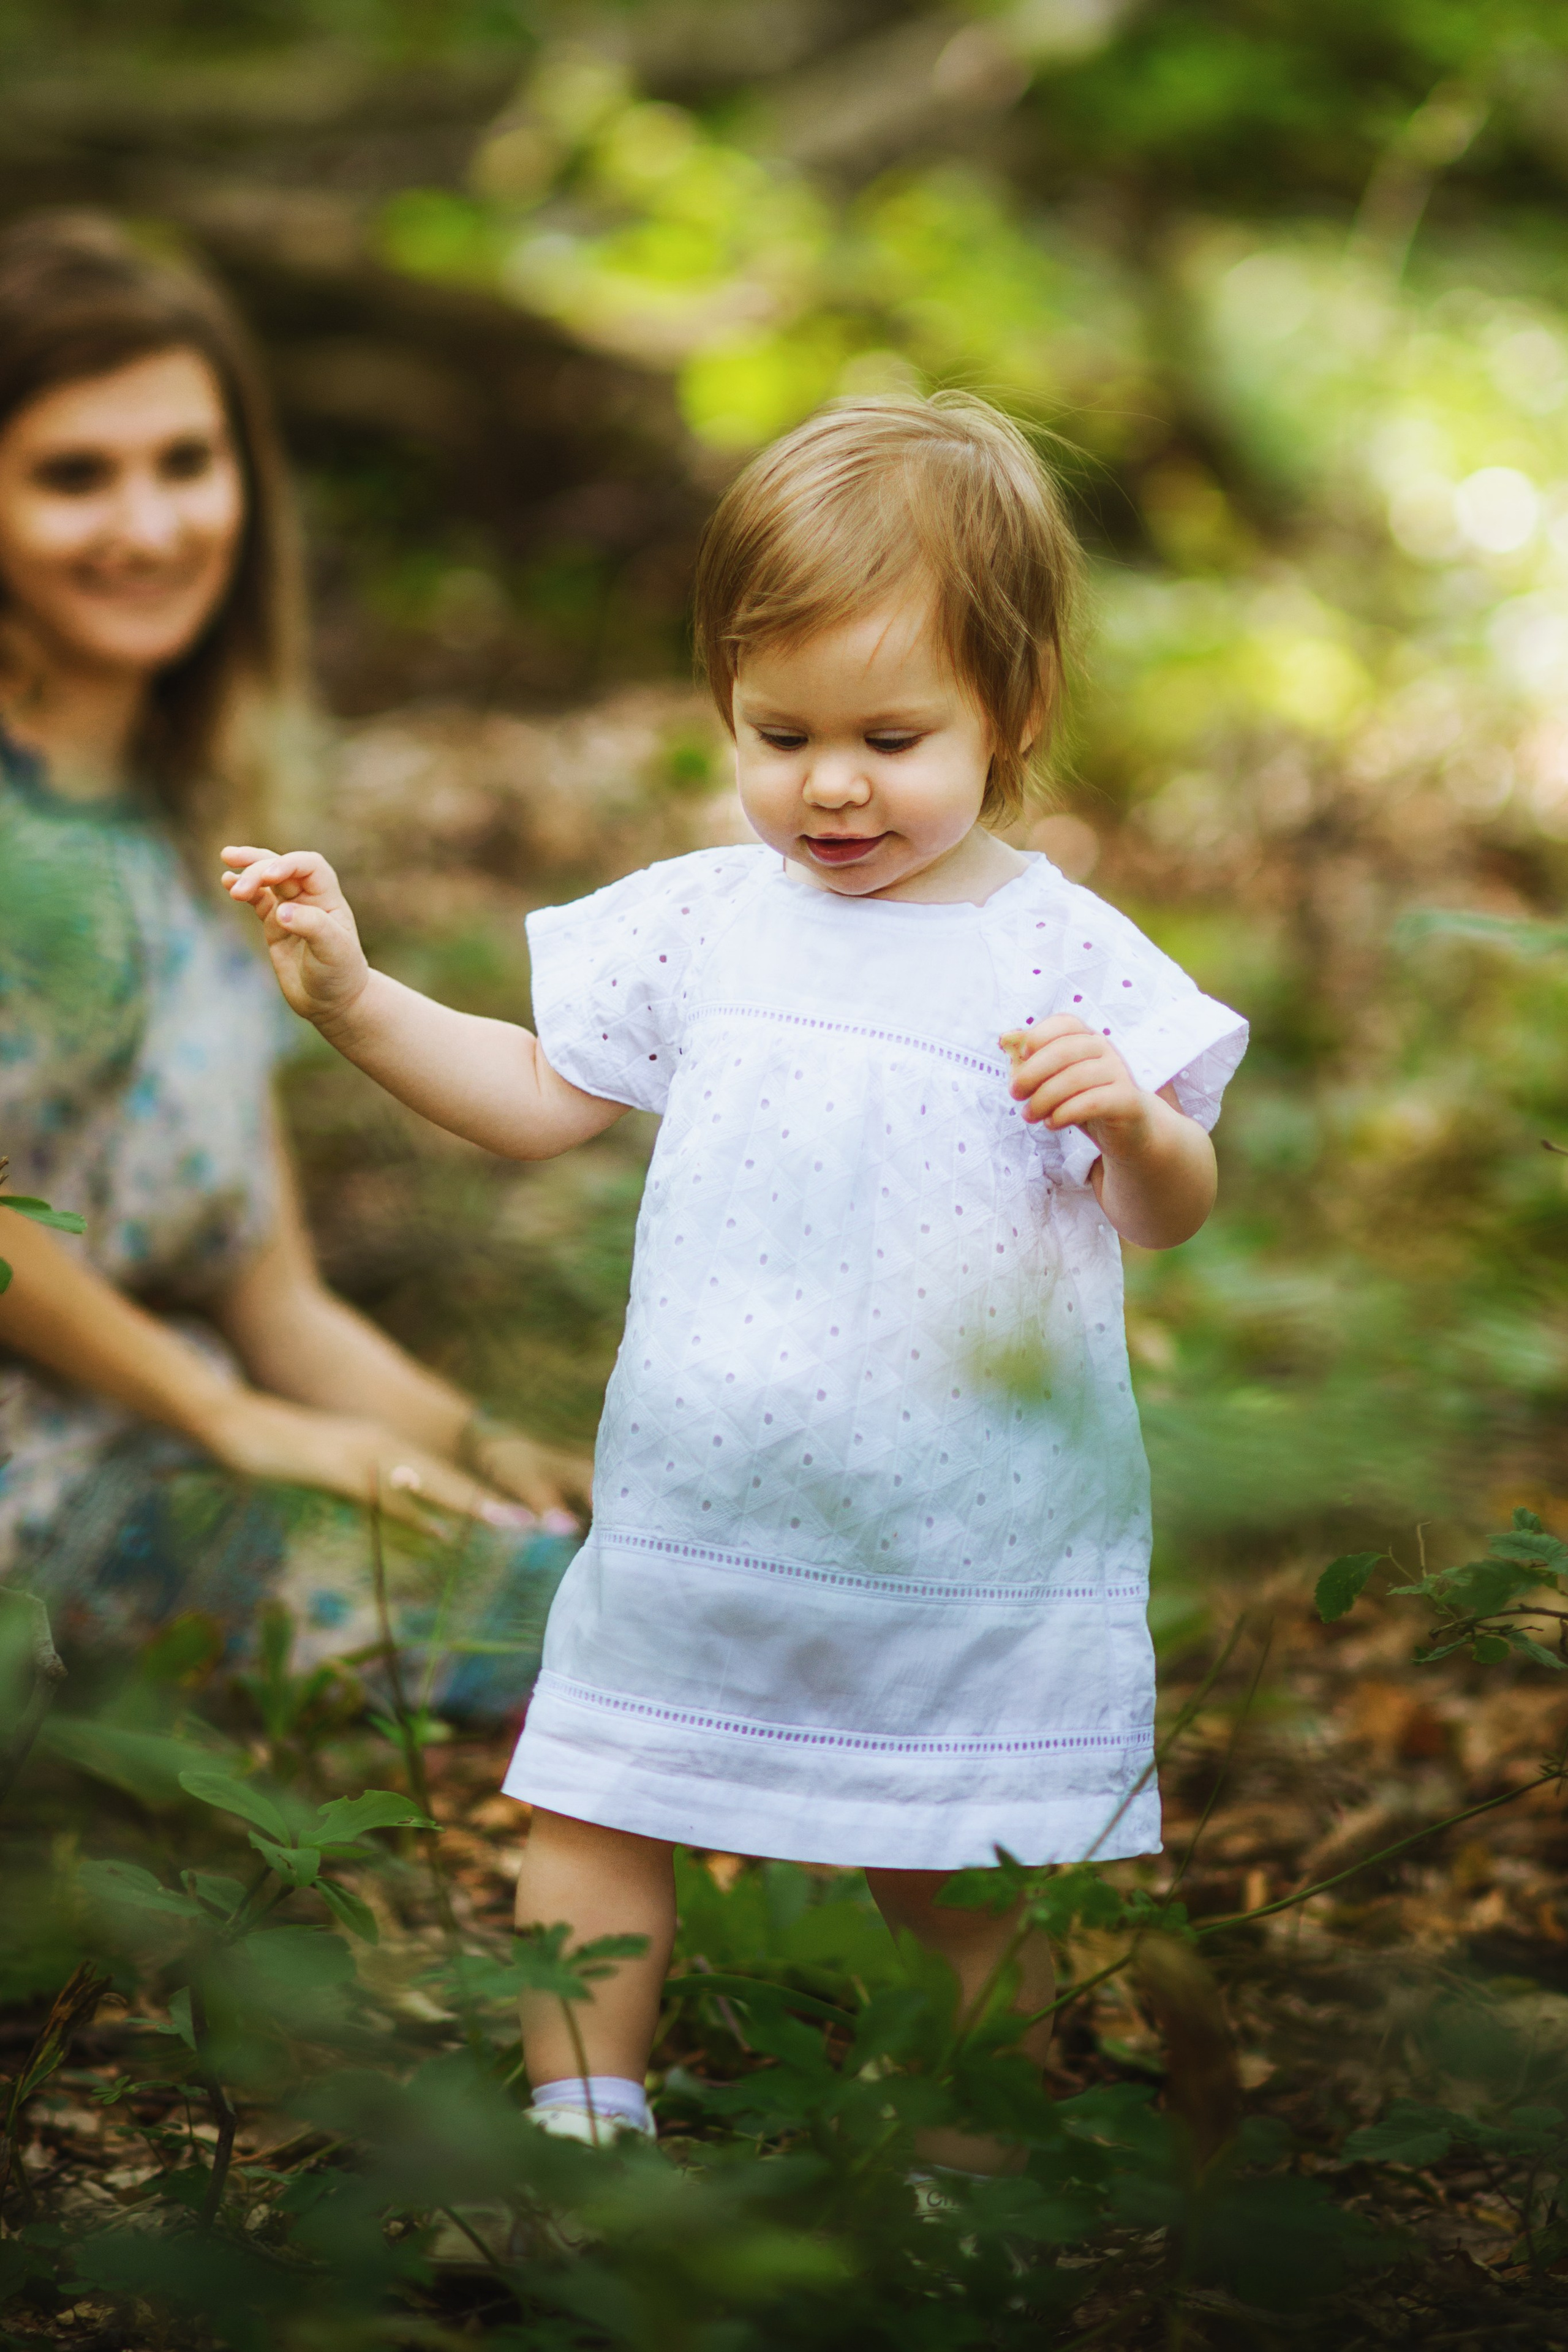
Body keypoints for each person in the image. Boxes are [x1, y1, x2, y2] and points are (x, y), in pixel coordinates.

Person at [224, 393, 1248, 2171]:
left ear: (1012, 712)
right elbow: (537, 1095)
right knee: (596, 1795)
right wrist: (356, 1000)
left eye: (891, 737)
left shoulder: (1061, 953)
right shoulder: (704, 918)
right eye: (779, 734)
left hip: (958, 1524)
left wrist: (1137, 1127)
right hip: (705, 1495)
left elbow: (1165, 1213)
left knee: (959, 1860)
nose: (829, 783)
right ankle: (582, 2121)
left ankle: (962, 2167)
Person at [0, 212, 584, 1711]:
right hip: (41, 1493)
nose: (148, 526)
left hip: (173, 1439)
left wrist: (466, 1443)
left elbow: (272, 1295)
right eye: (75, 476)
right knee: (602, 1637)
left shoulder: (199, 817)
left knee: (608, 1560)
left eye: (185, 463)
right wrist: (231, 1423)